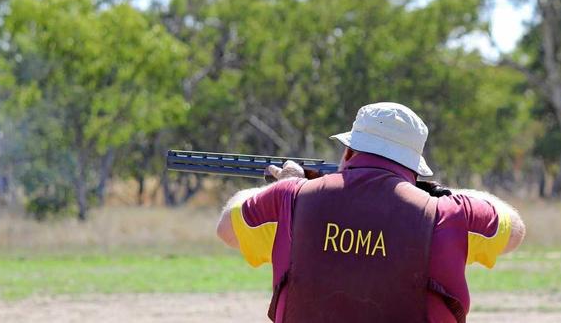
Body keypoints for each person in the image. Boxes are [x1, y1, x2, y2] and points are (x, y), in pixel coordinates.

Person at [216, 102, 525, 323]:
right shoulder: (447, 213)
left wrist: (286, 184)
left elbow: (227, 229)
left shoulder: (291, 197)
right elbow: (514, 231)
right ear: (414, 169)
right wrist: (448, 195)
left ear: (349, 151)